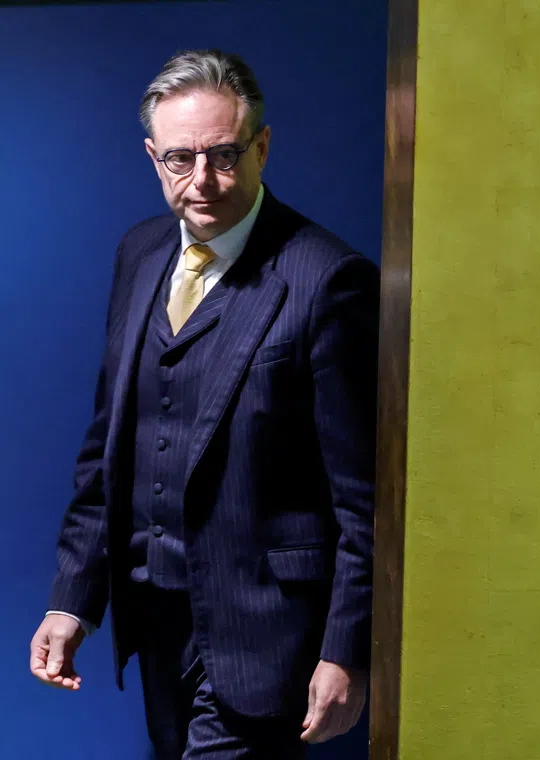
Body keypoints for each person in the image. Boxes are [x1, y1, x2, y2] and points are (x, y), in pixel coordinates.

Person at [28, 48, 379, 759]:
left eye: (225, 155)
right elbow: (110, 448)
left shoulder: (327, 279)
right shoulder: (139, 253)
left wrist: (349, 650)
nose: (204, 182)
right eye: (180, 159)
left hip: (267, 637)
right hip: (154, 625)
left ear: (263, 146)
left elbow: (363, 500)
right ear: (153, 157)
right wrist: (73, 598)